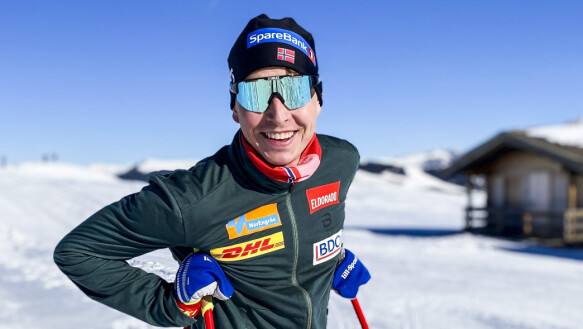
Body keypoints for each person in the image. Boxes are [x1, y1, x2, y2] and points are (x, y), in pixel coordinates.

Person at [54, 14, 370, 329]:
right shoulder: (192, 199)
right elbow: (79, 252)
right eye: (256, 93)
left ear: (318, 99)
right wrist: (174, 304)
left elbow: (300, 226)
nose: (278, 114)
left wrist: (329, 259)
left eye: (294, 89)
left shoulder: (340, 162)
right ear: (235, 109)